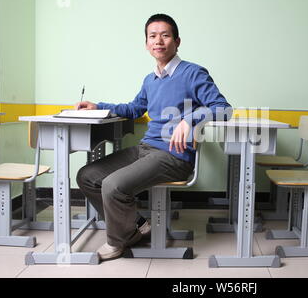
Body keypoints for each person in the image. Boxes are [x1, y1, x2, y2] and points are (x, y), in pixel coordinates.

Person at [75, 14, 232, 261]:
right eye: (152, 36)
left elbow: (223, 108)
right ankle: (136, 226)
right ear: (147, 44)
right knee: (87, 176)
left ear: (177, 41)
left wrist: (189, 120)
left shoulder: (193, 73)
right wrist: (98, 106)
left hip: (174, 156)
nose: (158, 40)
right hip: (146, 148)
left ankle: (118, 241)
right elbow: (135, 108)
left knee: (112, 185)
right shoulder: (151, 79)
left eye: (165, 35)